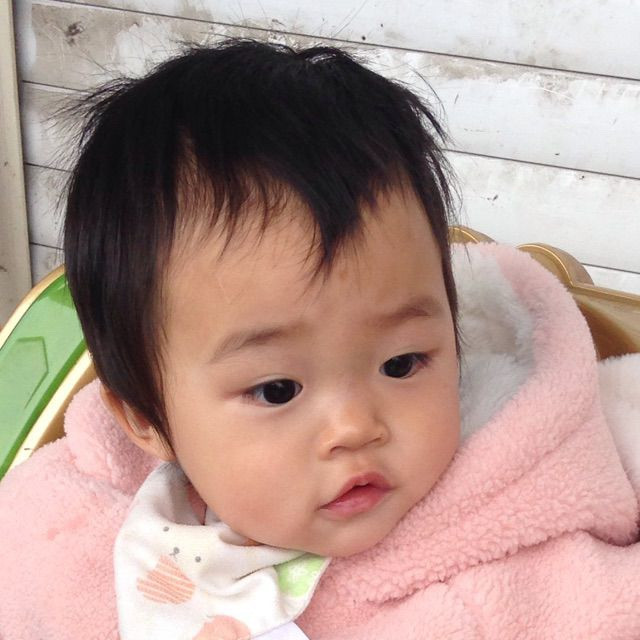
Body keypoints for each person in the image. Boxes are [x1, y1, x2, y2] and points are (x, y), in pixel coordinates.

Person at [1, 38, 639, 640]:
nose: (355, 427)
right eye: (278, 389)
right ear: (147, 419)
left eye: (401, 363)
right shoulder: (73, 532)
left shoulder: (518, 565)